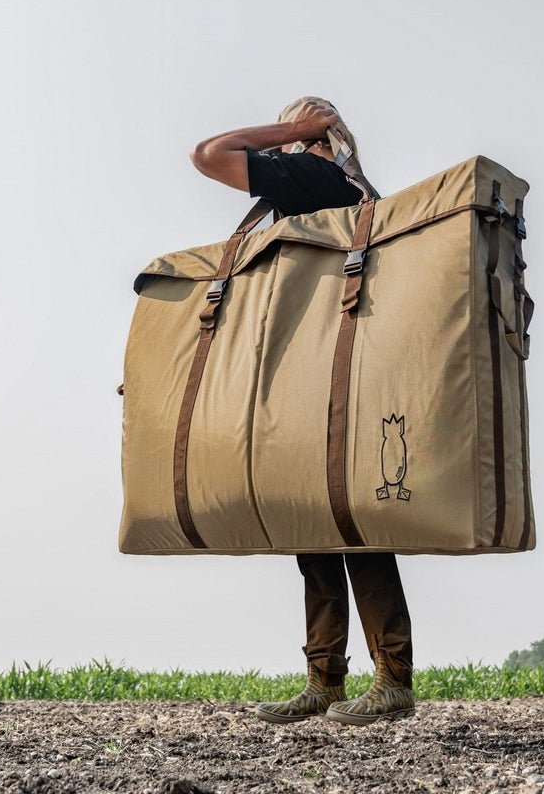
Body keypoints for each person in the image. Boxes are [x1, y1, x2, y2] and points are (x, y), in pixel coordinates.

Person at [190, 97, 414, 725]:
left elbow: (209, 154)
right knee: (320, 526)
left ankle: (382, 681)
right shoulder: (357, 198)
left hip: (317, 378)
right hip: (333, 375)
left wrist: (296, 132)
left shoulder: (315, 178)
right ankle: (333, 682)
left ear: (317, 135)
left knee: (342, 528)